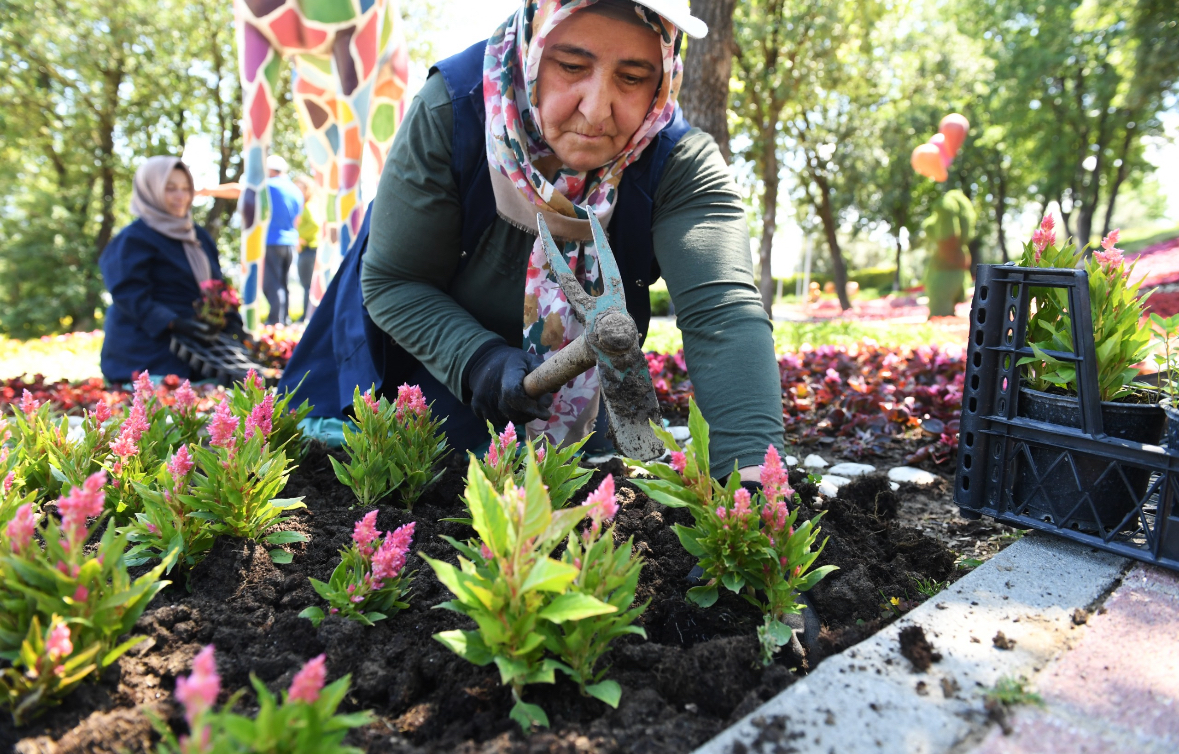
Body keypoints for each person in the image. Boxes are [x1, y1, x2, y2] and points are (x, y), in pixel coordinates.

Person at [281, 0, 783, 481]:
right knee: (408, 479)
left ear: (665, 75)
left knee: (567, 486)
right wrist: (476, 358)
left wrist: (752, 481)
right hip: (411, 360)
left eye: (632, 78)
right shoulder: (453, 110)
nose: (596, 110)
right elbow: (396, 281)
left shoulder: (678, 160)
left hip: (562, 399)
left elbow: (723, 312)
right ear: (533, 47)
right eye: (570, 66)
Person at [99, 156, 245, 383]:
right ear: (151, 191)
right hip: (146, 355)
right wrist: (174, 322)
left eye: (186, 189)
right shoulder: (132, 240)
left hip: (201, 352)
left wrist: (231, 319)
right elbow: (129, 296)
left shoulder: (198, 237)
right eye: (170, 189)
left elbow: (217, 287)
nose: (181, 196)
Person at [262, 154, 303, 325]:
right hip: (290, 242)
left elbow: (244, 191)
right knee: (284, 283)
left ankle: (275, 321)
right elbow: (297, 220)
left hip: (272, 241)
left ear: (270, 170)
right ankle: (284, 319)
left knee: (272, 284)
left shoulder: (267, 186)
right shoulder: (296, 190)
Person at [293, 175, 321, 322]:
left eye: (300, 187)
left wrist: (299, 237)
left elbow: (316, 225)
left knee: (307, 285)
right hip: (307, 250)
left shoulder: (309, 206)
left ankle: (307, 316)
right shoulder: (304, 206)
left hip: (310, 250)